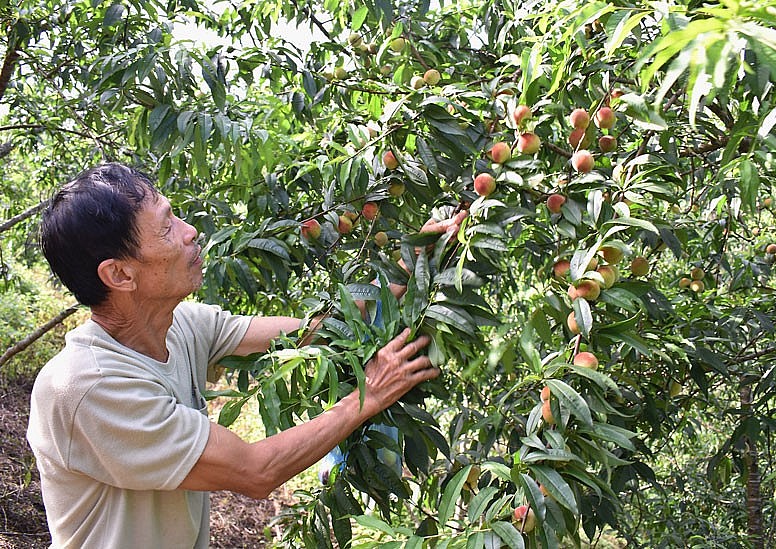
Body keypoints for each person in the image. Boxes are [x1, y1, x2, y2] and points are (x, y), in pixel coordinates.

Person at [27, 162, 466, 548]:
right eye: (166, 228)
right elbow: (256, 471)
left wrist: (410, 263)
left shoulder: (181, 325)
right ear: (120, 273)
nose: (189, 231)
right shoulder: (88, 387)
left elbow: (317, 332)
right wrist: (369, 395)